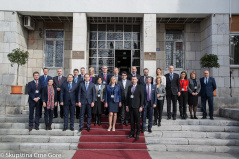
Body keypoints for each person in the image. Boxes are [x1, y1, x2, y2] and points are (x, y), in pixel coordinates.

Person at [126, 76, 144, 141]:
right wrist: (127, 106)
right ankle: (132, 133)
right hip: (130, 106)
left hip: (137, 107)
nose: (133, 80)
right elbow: (127, 97)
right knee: (132, 121)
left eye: (135, 79)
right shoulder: (129, 87)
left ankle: (138, 133)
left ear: (137, 80)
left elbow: (142, 97)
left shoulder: (140, 87)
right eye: (132, 79)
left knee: (138, 121)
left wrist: (141, 106)